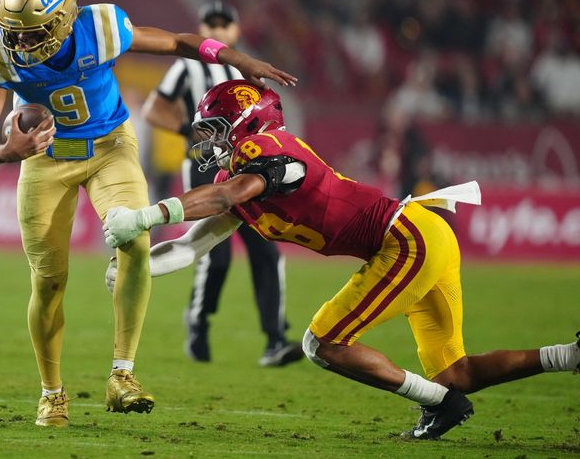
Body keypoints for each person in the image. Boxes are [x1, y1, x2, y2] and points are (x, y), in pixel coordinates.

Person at [103, 80, 580, 440]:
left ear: (248, 123)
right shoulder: (245, 182)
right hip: (420, 236)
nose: (210, 143)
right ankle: (570, 356)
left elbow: (228, 193)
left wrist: (144, 216)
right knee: (457, 373)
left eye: (217, 130)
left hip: (407, 239)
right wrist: (135, 265)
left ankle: (440, 404)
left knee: (322, 342)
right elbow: (189, 247)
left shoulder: (275, 154)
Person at [0, 0, 296, 429]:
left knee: (136, 243)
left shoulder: (99, 28)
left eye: (30, 33)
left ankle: (123, 375)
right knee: (48, 281)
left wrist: (234, 58)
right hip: (46, 160)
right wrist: (5, 150)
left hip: (110, 147)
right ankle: (51, 395)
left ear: (61, 22)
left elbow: (178, 41)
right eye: (12, 33)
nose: (18, 44)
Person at [142, 0, 300, 366]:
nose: (216, 30)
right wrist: (191, 132)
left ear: (236, 32)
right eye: (209, 24)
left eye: (223, 25)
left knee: (266, 249)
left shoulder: (249, 72)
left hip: (248, 168)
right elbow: (154, 109)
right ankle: (198, 321)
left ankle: (275, 339)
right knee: (215, 256)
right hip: (202, 166)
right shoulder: (187, 65)